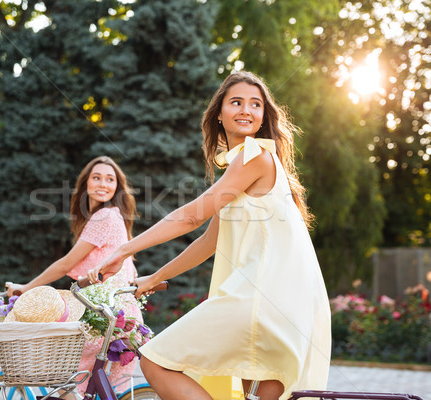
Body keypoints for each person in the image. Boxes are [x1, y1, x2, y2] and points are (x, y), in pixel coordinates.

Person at [87, 71, 332, 400]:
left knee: (156, 362)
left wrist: (123, 250)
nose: (246, 109)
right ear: (219, 113)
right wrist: (153, 277)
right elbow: (208, 242)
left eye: (255, 104)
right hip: (286, 301)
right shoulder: (242, 167)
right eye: (236, 102)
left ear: (263, 118)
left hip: (262, 297)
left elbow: (191, 216)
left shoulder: (254, 156)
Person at [6, 155, 142, 395]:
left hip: (101, 317)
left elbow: (66, 264)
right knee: (116, 391)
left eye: (110, 179)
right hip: (127, 317)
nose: (103, 184)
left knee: (67, 377)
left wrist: (26, 287)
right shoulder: (116, 217)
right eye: (96, 177)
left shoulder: (104, 216)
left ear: (117, 187)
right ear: (86, 183)